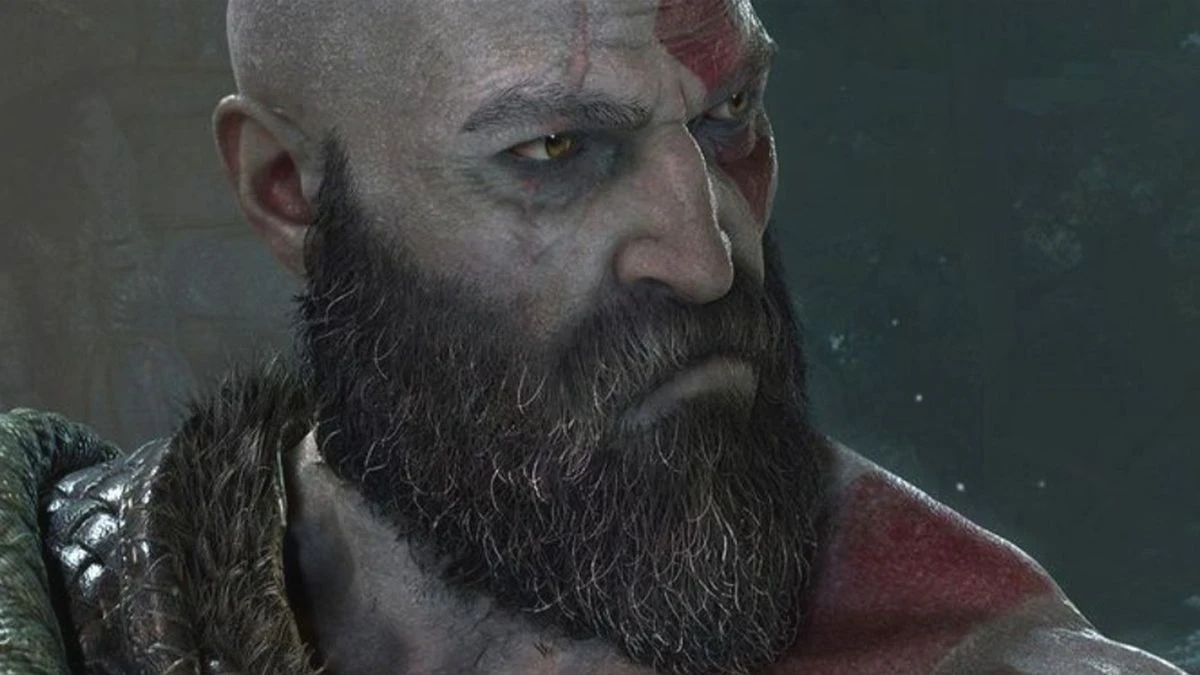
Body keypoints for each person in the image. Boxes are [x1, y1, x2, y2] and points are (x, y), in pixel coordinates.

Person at [0, 0, 1187, 673]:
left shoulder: (965, 653)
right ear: (287, 194)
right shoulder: (71, 605)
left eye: (728, 118)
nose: (709, 255)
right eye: (554, 151)